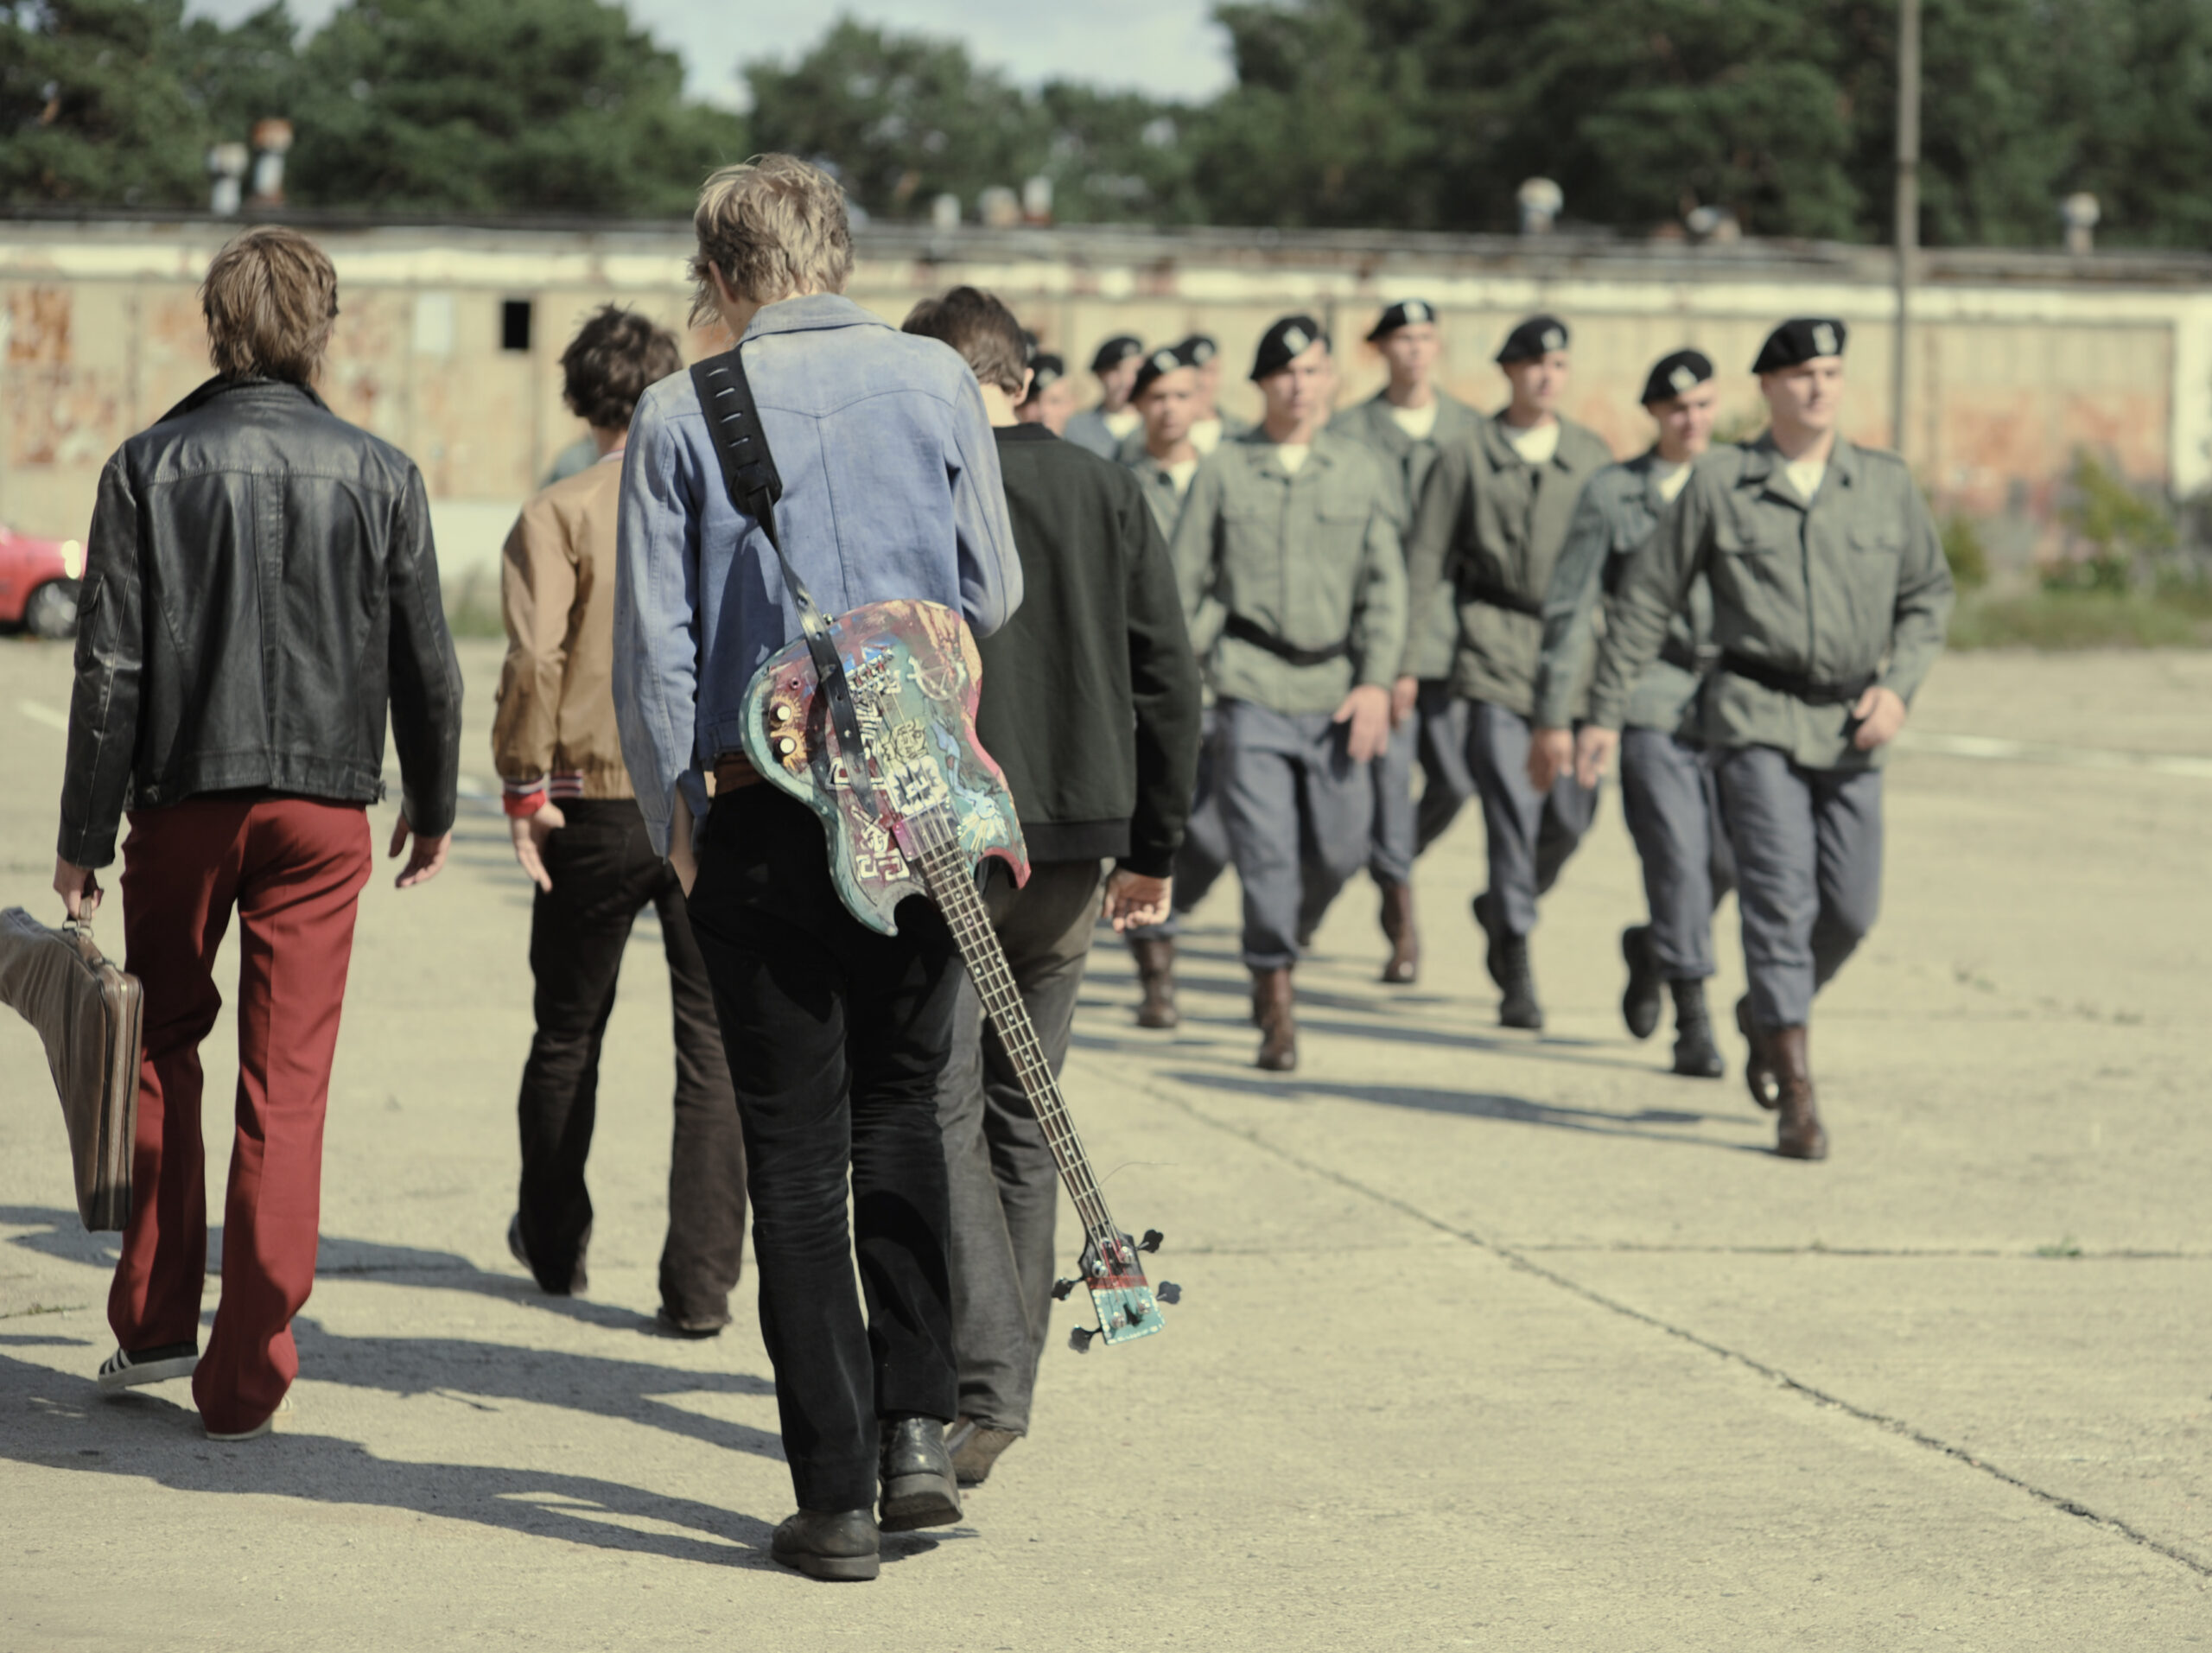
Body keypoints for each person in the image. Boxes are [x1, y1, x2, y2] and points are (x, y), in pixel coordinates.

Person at [611, 156, 1023, 1582]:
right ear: (839, 254)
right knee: (906, 1106)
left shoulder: (681, 412)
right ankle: (919, 1441)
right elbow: (995, 588)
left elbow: (656, 652)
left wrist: (674, 817)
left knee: (793, 1154)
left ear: (722, 274)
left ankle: (836, 1498)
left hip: (761, 805)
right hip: (915, 802)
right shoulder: (938, 379)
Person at [51, 226, 462, 1440]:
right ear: (321, 329)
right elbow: (428, 666)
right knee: (287, 1085)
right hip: (325, 812)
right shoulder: (384, 471)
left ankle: (152, 1321)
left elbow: (112, 667)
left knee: (158, 1044)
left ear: (215, 326)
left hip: (183, 802)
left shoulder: (145, 464)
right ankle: (246, 1376)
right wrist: (435, 804)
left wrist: (82, 831)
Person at [900, 288, 1202, 1490]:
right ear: (1021, 379)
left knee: (941, 1104)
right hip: (1075, 848)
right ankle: (1004, 1379)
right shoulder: (1104, 485)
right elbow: (1168, 674)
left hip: (955, 845)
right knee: (1026, 1111)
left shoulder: (920, 487)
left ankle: (985, 1382)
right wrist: (1155, 849)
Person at [1580, 318, 1954, 1160]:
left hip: (1852, 724)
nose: (1819, 387)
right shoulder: (1721, 482)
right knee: (1778, 900)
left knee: (1850, 908)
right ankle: (1796, 1087)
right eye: (1802, 374)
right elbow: (1645, 600)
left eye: (1831, 372)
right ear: (1768, 388)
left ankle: (1763, 1011)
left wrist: (1898, 688)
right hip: (1753, 718)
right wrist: (1604, 710)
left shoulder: (1883, 483)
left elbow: (1928, 595)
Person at [493, 306, 747, 1334]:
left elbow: (535, 656)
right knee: (714, 1043)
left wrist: (523, 782)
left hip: (591, 797)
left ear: (576, 396)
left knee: (566, 1028)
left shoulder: (557, 510)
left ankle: (555, 1244)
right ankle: (700, 1284)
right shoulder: (710, 498)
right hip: (709, 792)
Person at [1172, 315, 1406, 1070]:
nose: (1299, 386)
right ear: (1262, 384)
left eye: (1312, 371)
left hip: (1336, 691)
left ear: (1331, 379)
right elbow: (1183, 583)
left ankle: (1284, 938)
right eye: (1284, 373)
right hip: (1250, 686)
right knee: (1266, 852)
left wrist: (1376, 683)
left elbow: (1386, 590)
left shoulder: (1361, 470)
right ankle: (1275, 997)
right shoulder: (1225, 469)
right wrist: (1184, 683)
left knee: (1341, 849)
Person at [1401, 314, 1612, 1030]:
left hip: (1572, 653)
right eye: (1534, 364)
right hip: (1492, 646)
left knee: (1572, 813)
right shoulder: (1466, 455)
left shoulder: (1591, 456)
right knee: (1511, 807)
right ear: (1509, 372)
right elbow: (1425, 562)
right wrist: (1404, 665)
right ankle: (1515, 955)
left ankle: (1501, 905)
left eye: (1559, 364)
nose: (1547, 376)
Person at [1529, 349, 1731, 1078]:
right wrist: (1560, 713)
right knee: (1675, 855)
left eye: (1703, 405)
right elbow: (1572, 605)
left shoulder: (1738, 482)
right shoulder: (1614, 493)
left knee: (1724, 859)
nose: (1692, 420)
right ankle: (1693, 1019)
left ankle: (1653, 947)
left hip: (1733, 695)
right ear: (1653, 414)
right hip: (1648, 689)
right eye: (1678, 408)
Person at [1328, 298, 1484, 985]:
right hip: (1378, 635)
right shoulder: (1349, 431)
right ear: (1381, 349)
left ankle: (1391, 859)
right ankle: (1402, 924)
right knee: (1391, 785)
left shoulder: (1470, 431)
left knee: (1455, 778)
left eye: (1426, 337)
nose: (1415, 349)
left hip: (1451, 637)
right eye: (1402, 338)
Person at [1118, 342, 1234, 1027]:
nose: (1169, 408)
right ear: (1138, 404)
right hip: (1145, 685)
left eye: (1181, 395)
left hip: (1222, 679)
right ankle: (1156, 972)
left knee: (1215, 834)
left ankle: (1169, 901)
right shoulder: (1118, 481)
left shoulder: (1228, 475)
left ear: (1201, 399)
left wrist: (1197, 637)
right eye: (1156, 396)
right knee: (1152, 820)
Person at [1062, 334, 1144, 458]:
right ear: (1099, 375)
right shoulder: (1077, 428)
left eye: (1136, 371)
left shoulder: (1157, 423)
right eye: (1116, 370)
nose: (1127, 381)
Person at [1016, 352, 1078, 436]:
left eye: (1054, 401)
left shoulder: (1085, 441)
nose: (1044, 410)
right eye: (1034, 400)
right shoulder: (1002, 443)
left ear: (1071, 404)